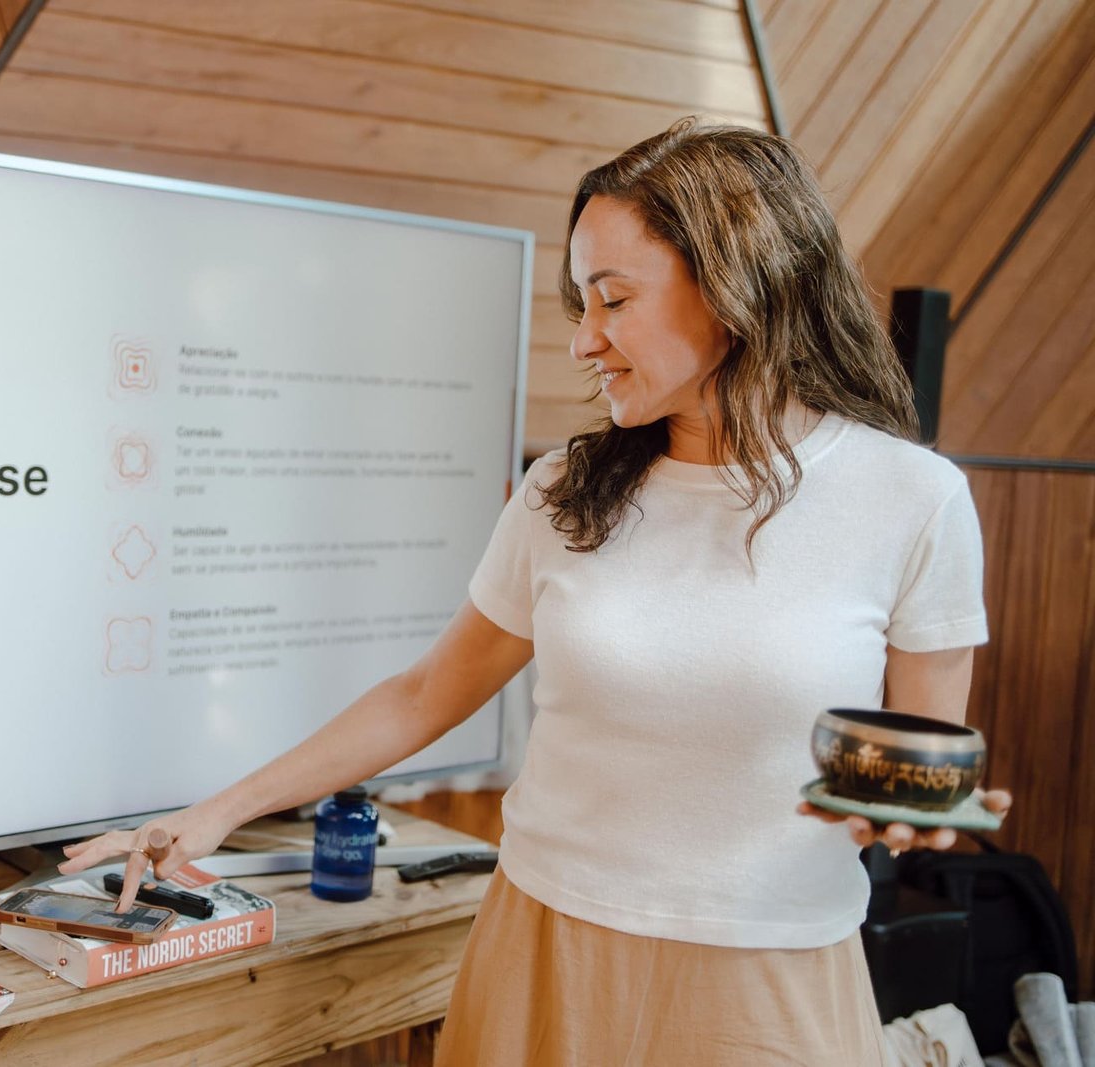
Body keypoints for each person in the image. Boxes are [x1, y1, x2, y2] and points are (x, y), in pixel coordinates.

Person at [59, 119, 1012, 1065]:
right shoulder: (564, 490)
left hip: (769, 969)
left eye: (613, 299)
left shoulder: (910, 499)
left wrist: (910, 814)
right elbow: (423, 694)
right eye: (579, 305)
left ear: (737, 285)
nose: (584, 341)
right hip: (547, 943)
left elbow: (923, 760)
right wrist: (214, 814)